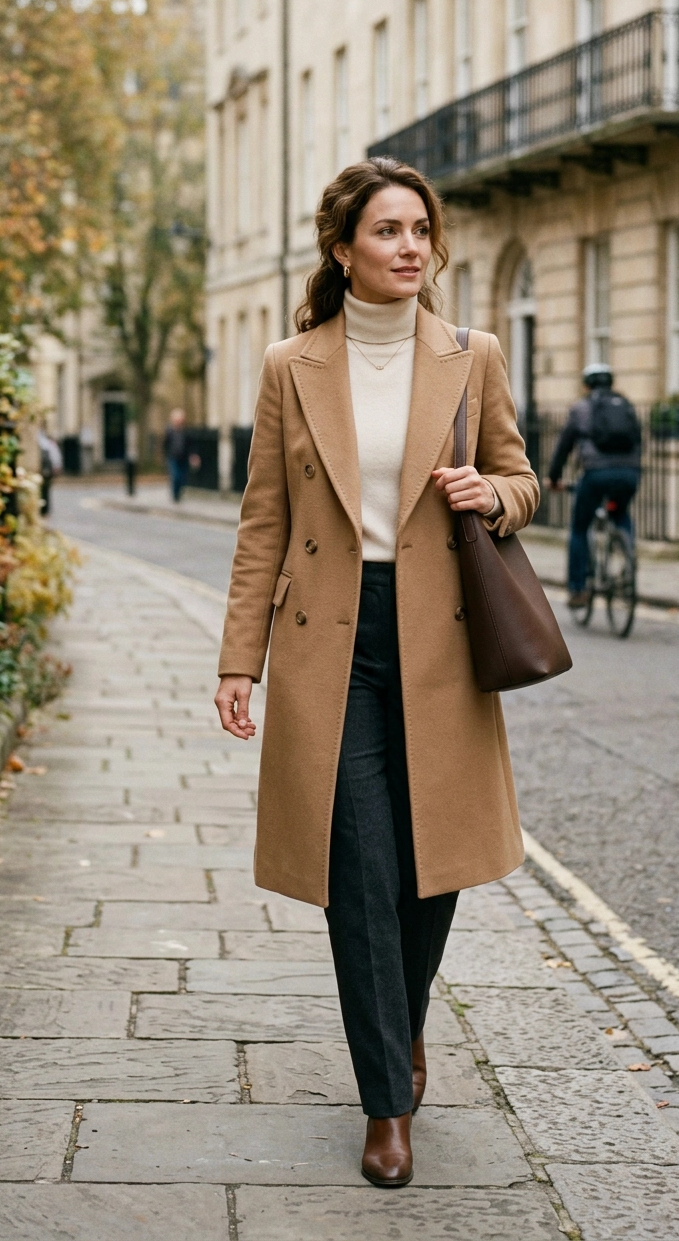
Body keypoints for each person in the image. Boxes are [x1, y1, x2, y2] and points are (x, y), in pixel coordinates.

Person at [214, 158, 538, 1188]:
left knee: (433, 864)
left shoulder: (471, 354)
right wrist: (239, 661)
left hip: (441, 636)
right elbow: (263, 519)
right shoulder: (290, 364)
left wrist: (490, 491)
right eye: (388, 231)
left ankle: (401, 1025)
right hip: (330, 641)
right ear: (344, 248)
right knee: (359, 871)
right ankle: (386, 1101)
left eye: (420, 231)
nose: (410, 247)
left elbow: (524, 480)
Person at [548, 362, 642, 608]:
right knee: (619, 511)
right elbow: (639, 441)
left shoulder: (580, 408)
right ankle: (628, 555)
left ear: (587, 385)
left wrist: (554, 478)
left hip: (596, 474)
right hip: (629, 473)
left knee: (580, 528)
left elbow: (564, 447)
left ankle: (578, 589)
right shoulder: (625, 406)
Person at [163, 408, 190, 502]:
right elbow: (165, 444)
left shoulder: (185, 431)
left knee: (183, 478)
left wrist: (193, 456)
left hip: (183, 457)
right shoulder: (169, 431)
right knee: (175, 476)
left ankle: (178, 493)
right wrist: (166, 455)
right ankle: (175, 495)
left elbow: (190, 445)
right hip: (173, 457)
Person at [38, 428, 63, 516]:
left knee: (45, 490)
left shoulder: (46, 442)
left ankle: (45, 509)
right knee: (45, 490)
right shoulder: (46, 442)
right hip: (45, 470)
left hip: (46, 470)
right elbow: (55, 455)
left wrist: (56, 466)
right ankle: (44, 509)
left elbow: (55, 455)